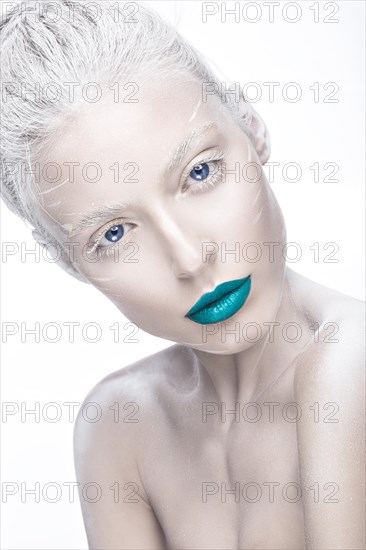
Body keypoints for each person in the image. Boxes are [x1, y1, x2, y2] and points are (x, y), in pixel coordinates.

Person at [1, 1, 364, 548]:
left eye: (200, 172)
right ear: (68, 261)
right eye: (116, 233)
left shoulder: (351, 365)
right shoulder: (119, 427)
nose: (190, 259)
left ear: (250, 125)